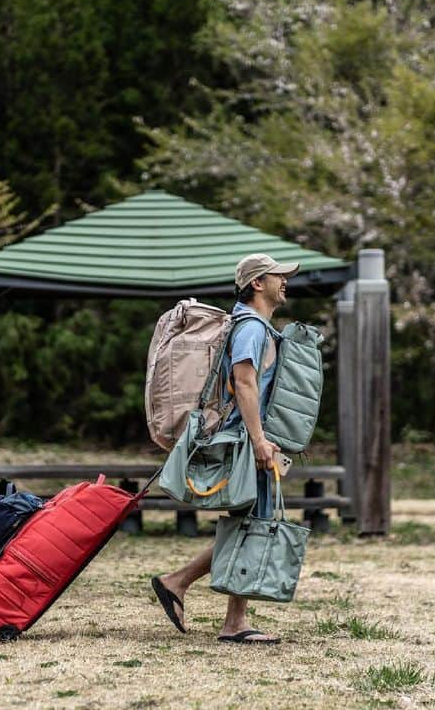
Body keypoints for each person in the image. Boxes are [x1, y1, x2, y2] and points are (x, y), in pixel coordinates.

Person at [151, 253, 299, 645]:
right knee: (253, 523)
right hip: (245, 441)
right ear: (256, 284)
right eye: (277, 275)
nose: (284, 281)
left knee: (248, 522)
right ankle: (226, 617)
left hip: (247, 437)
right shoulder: (251, 328)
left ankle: (185, 588)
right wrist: (259, 441)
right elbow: (244, 383)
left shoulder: (252, 325)